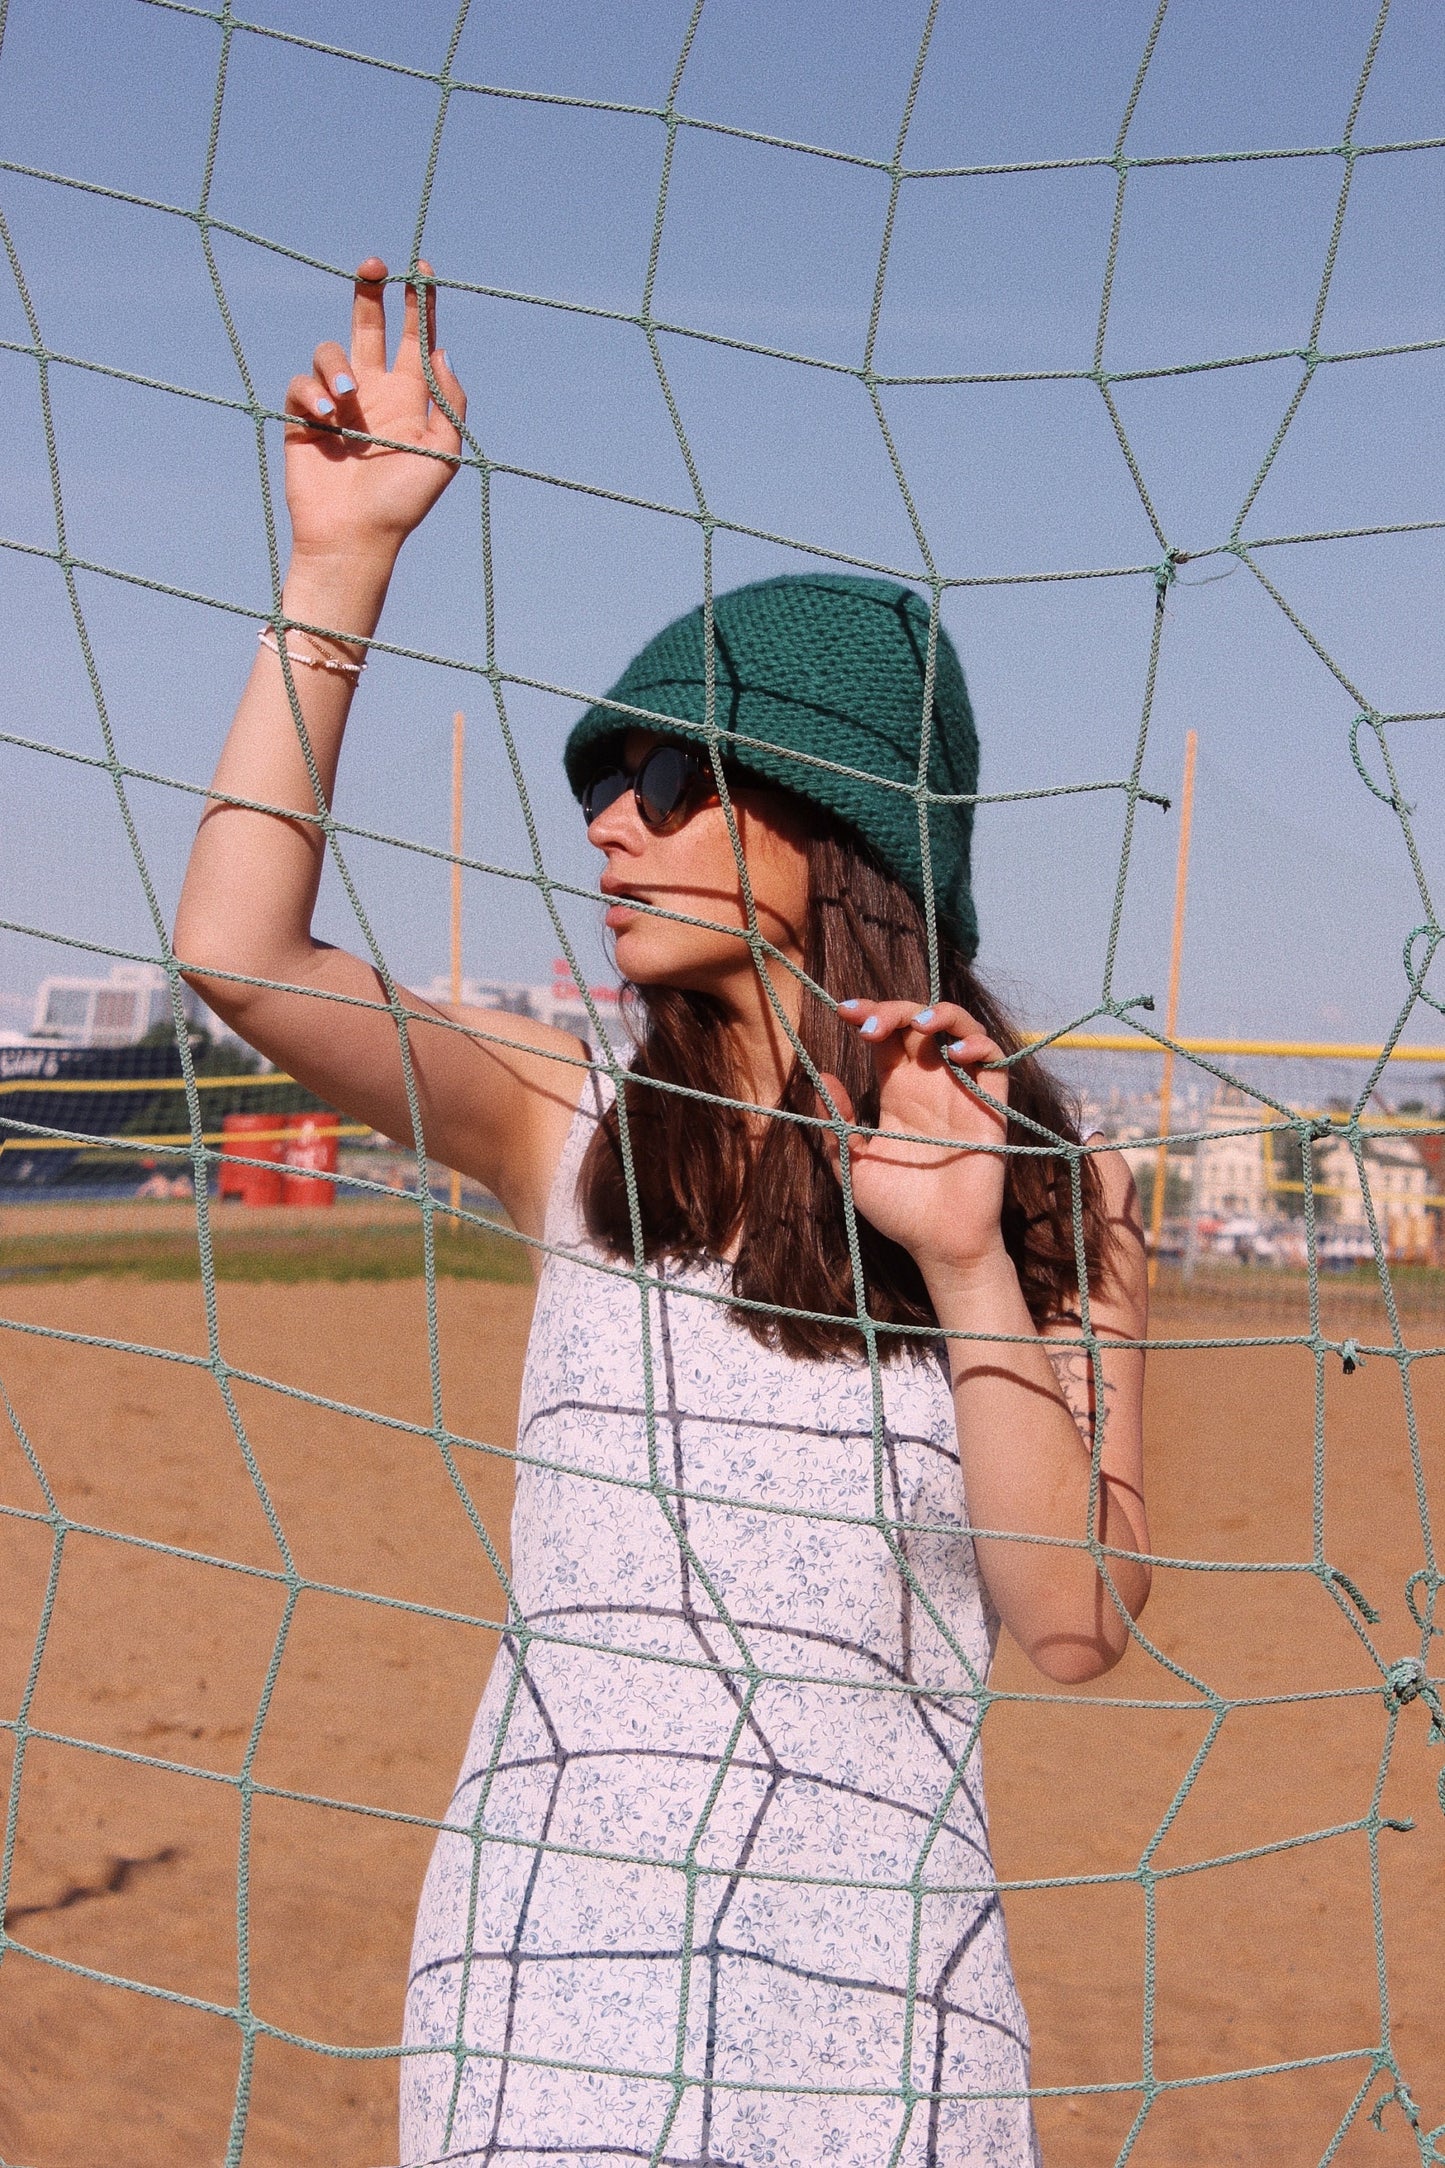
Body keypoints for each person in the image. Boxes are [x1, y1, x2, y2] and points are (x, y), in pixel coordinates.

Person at [176, 261, 1150, 2168]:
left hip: (880, 2010)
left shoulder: (1060, 1189)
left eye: (672, 776)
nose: (610, 818)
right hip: (551, 1982)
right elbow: (239, 952)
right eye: (604, 778)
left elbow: (1072, 1625)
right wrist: (340, 563)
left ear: (837, 818)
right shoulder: (569, 1117)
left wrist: (966, 1262)